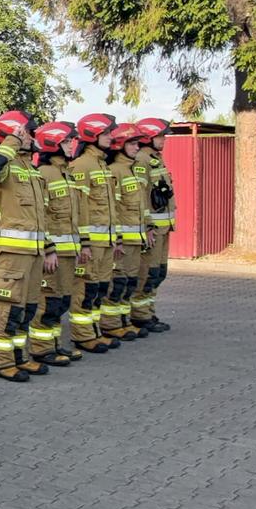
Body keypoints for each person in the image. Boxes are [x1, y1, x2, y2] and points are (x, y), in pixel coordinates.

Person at [0, 111, 54, 382]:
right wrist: (12, 139)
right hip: (12, 256)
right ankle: (1, 362)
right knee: (8, 309)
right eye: (29, 132)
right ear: (17, 133)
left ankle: (19, 357)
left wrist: (48, 247)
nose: (34, 137)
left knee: (27, 309)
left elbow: (40, 216)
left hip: (33, 253)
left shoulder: (31, 171)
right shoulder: (5, 167)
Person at [31, 122, 87, 363]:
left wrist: (80, 245)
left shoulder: (66, 173)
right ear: (52, 144)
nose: (71, 145)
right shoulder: (44, 174)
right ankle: (41, 349)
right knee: (48, 302)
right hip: (53, 253)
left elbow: (75, 216)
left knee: (62, 301)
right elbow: (40, 216)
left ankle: (54, 344)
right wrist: (48, 249)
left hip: (68, 252)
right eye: (65, 141)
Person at [69, 114, 124, 352]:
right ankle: (83, 335)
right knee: (85, 289)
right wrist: (84, 243)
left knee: (99, 289)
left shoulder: (102, 165)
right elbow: (78, 208)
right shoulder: (81, 166)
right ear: (93, 135)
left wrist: (116, 238)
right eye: (107, 133)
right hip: (91, 244)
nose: (111, 137)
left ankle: (95, 331)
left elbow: (111, 208)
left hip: (105, 243)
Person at [106, 122, 151, 340]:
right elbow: (112, 209)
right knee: (117, 283)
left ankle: (124, 321)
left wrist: (148, 228)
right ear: (120, 145)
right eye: (132, 143)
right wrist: (117, 238)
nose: (136, 147)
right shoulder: (115, 171)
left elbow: (141, 206)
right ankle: (110, 324)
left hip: (136, 240)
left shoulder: (131, 170)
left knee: (130, 283)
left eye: (137, 143)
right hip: (122, 242)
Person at [129, 117, 175, 333]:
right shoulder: (141, 160)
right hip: (152, 230)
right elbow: (140, 197)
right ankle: (140, 315)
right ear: (148, 137)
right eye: (160, 136)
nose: (163, 140)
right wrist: (146, 226)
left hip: (163, 229)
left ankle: (148, 311)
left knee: (158, 273)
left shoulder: (155, 159)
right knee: (147, 273)